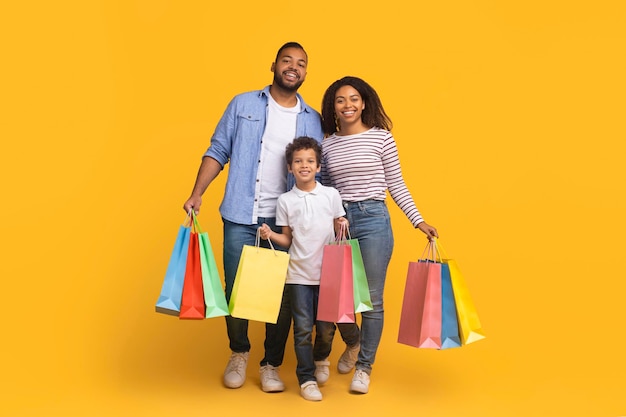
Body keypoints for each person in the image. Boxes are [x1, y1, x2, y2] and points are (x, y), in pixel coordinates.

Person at [182, 42, 324, 392]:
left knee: (283, 295)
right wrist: (197, 192)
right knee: (238, 287)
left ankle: (271, 364)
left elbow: (321, 169)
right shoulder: (243, 104)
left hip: (287, 219)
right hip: (241, 213)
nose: (293, 67)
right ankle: (239, 352)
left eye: (301, 64)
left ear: (306, 73)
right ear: (274, 65)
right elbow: (218, 149)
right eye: (287, 61)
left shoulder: (313, 119)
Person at [315, 76, 439, 394]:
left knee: (371, 301)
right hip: (339, 224)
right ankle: (353, 343)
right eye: (340, 100)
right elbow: (325, 191)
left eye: (354, 98)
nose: (348, 105)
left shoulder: (381, 139)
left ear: (365, 102)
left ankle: (364, 367)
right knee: (336, 299)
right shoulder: (326, 144)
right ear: (333, 107)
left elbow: (396, 183)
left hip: (373, 220)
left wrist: (418, 221)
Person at [259, 136, 346, 401]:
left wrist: (341, 222)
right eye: (298, 161)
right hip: (297, 275)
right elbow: (287, 239)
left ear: (319, 167)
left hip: (328, 275)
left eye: (310, 161)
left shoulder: (331, 195)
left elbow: (336, 230)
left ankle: (321, 358)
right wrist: (269, 235)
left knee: (327, 327)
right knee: (302, 329)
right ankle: (306, 379)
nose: (304, 165)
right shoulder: (285, 201)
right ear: (290, 167)